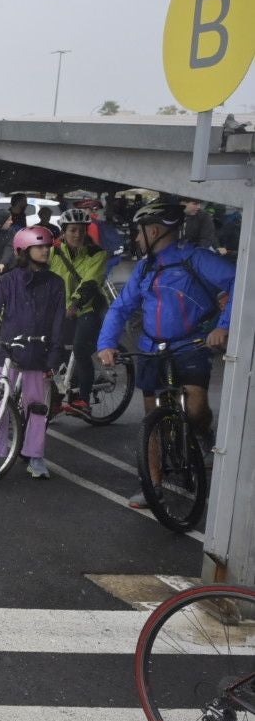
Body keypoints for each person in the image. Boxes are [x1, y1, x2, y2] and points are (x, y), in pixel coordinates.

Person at [97, 200, 235, 506]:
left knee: (196, 409)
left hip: (190, 346)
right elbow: (121, 307)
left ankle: (202, 431)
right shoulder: (145, 267)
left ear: (155, 231)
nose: (135, 239)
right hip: (150, 349)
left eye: (139, 232)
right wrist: (106, 344)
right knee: (152, 421)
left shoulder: (195, 259)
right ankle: (153, 484)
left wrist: (223, 326)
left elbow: (239, 280)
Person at [0, 226, 65, 479]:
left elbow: (59, 322)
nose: (45, 251)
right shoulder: (8, 281)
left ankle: (35, 456)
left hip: (39, 353)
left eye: (47, 246)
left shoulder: (56, 283)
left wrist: (55, 354)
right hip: (8, 351)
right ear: (23, 250)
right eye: (39, 247)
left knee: (37, 407)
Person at [48, 208, 110, 412]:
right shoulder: (53, 252)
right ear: (63, 231)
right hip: (60, 310)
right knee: (54, 350)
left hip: (88, 308)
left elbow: (90, 283)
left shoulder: (97, 254)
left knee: (80, 347)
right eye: (73, 230)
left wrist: (74, 305)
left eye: (82, 230)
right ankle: (56, 398)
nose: (77, 234)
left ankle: (83, 399)